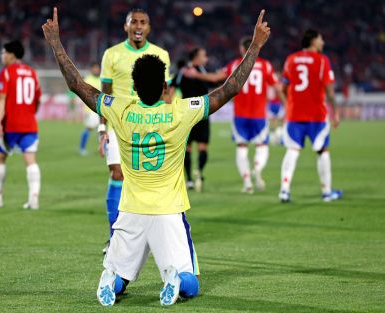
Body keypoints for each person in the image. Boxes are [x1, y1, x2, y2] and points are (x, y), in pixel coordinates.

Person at [43, 7, 270, 306]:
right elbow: (231, 88)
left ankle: (111, 280)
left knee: (121, 272)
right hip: (168, 212)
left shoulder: (120, 110)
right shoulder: (180, 112)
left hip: (131, 211)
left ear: (134, 87)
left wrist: (56, 42)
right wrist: (254, 45)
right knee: (191, 283)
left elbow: (77, 84)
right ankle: (174, 278)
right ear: (165, 86)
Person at [98, 8, 172, 253]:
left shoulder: (161, 54)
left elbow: (166, 93)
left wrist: (169, 125)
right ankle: (114, 237)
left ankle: (153, 236)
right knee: (117, 174)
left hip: (151, 125)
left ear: (149, 28)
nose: (138, 26)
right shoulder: (112, 54)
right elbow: (104, 94)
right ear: (126, 26)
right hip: (119, 125)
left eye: (143, 22)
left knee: (148, 181)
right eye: (134, 22)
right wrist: (101, 127)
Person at [184, 38, 286, 193]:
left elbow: (216, 78)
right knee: (262, 145)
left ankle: (247, 183)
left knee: (241, 147)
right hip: (259, 115)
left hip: (240, 115)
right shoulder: (265, 65)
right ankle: (257, 168)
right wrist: (286, 105)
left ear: (242, 49)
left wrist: (195, 75)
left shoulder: (235, 64)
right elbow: (277, 87)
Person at [279, 29, 342, 203]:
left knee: (292, 150)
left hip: (294, 115)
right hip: (316, 116)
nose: (323, 42)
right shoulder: (322, 61)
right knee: (322, 151)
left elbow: (282, 87)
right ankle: (327, 192)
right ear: (313, 41)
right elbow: (329, 91)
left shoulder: (291, 60)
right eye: (321, 39)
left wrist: (287, 105)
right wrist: (336, 112)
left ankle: (284, 190)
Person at [0, 40, 42, 209]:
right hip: (29, 124)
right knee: (31, 160)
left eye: (3, 52)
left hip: (10, 125)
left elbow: (1, 98)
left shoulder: (6, 72)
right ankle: (33, 199)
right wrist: (29, 114)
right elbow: (38, 100)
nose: (2, 56)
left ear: (12, 55)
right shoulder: (32, 72)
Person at [174, 48, 212, 192]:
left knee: (187, 148)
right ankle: (198, 172)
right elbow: (214, 81)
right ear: (196, 57)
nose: (206, 58)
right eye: (204, 55)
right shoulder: (201, 71)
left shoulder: (183, 71)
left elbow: (172, 86)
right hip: (200, 113)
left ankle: (189, 179)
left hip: (187, 115)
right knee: (202, 147)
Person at [79, 62, 101, 155]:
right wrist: (85, 110)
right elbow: (84, 95)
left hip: (101, 109)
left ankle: (103, 148)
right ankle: (82, 148)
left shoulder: (102, 79)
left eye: (98, 68)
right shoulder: (88, 80)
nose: (96, 70)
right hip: (90, 109)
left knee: (102, 129)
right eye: (94, 68)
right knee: (89, 128)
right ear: (91, 69)